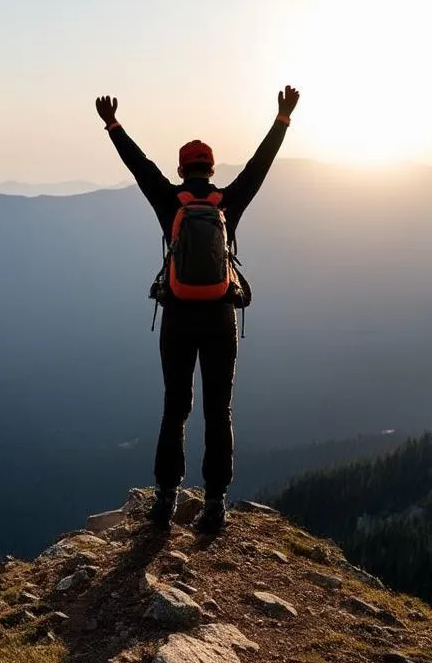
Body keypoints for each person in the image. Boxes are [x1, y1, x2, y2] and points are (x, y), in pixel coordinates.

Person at [96, 86, 300, 532]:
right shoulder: (228, 202)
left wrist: (113, 125)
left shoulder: (169, 202)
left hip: (178, 316)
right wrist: (282, 118)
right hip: (221, 316)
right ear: (210, 169)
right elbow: (258, 168)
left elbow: (140, 166)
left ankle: (166, 499)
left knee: (175, 406)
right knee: (218, 408)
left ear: (181, 170)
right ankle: (214, 504)